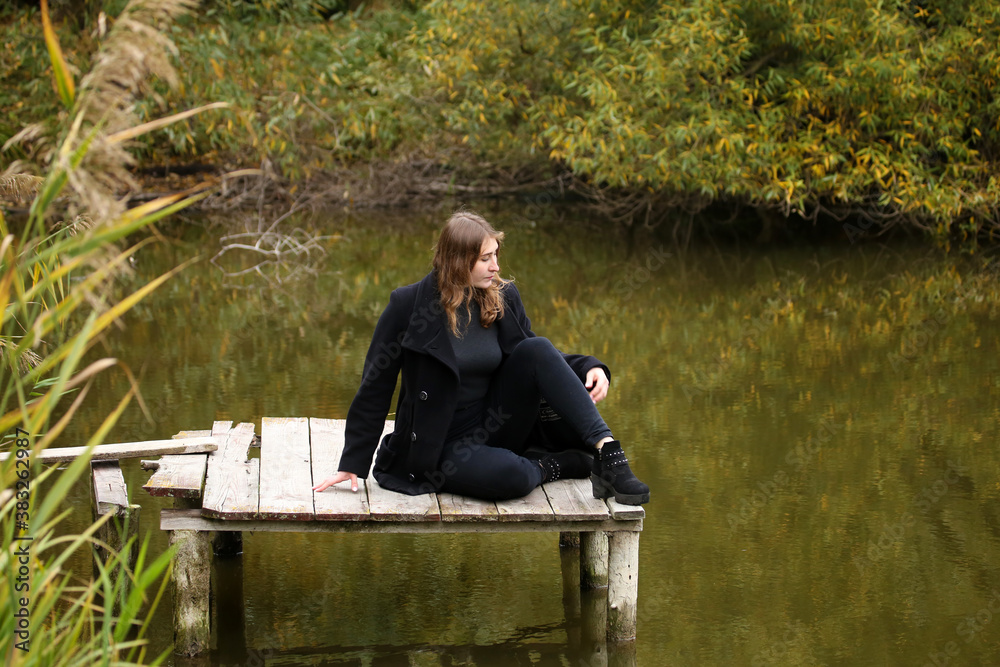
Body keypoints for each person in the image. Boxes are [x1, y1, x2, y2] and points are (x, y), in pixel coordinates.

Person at [312, 211, 649, 505]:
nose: (496, 266)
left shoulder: (503, 296)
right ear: (458, 261)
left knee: (536, 347)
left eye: (495, 255)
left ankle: (609, 454)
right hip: (441, 444)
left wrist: (589, 366)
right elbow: (375, 384)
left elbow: (536, 354)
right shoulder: (408, 306)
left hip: (497, 422)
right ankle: (552, 465)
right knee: (514, 477)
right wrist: (353, 462)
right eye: (486, 258)